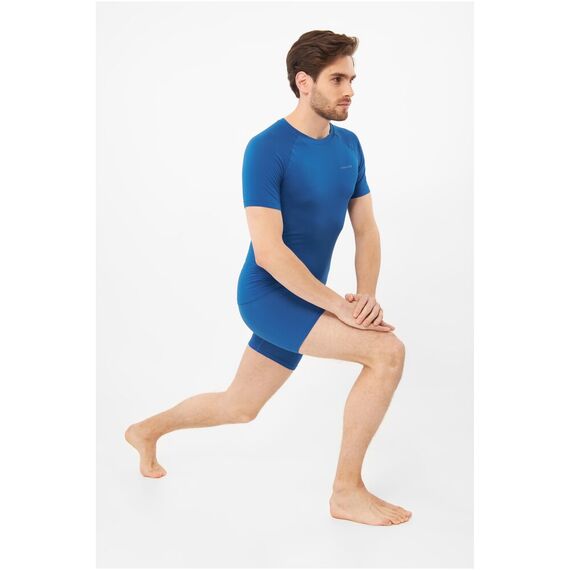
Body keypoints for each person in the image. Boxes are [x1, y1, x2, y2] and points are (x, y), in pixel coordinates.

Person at [125, 30, 411, 526]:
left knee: (240, 406)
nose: (349, 90)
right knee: (386, 353)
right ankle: (346, 492)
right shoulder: (267, 149)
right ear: (304, 82)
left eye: (352, 79)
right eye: (337, 79)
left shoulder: (350, 145)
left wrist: (365, 296)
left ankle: (146, 430)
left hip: (310, 298)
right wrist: (338, 306)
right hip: (268, 297)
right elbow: (269, 251)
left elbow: (366, 229)